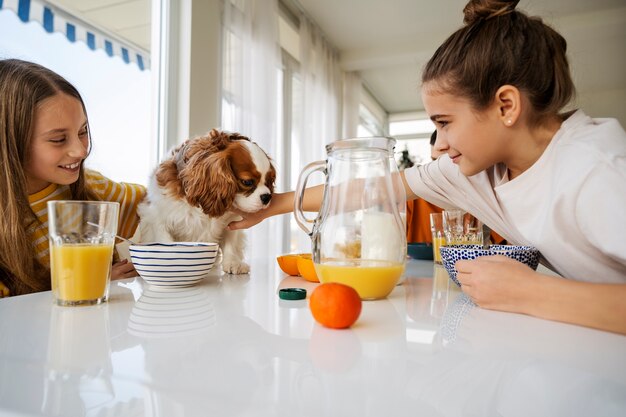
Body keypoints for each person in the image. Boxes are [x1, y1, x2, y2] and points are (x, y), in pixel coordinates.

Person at [230, 0, 626, 334]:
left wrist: (529, 292)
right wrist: (270, 207)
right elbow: (371, 189)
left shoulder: (598, 169)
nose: (438, 144)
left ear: (506, 106)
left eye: (444, 123)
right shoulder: (476, 171)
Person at [0, 59, 146, 297]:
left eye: (83, 131)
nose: (80, 150)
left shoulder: (92, 187)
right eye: (58, 139)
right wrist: (90, 282)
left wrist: (227, 209)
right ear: (9, 142)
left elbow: (163, 202)